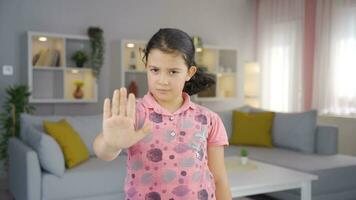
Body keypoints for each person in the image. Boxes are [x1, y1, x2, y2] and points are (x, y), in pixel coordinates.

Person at [93, 28, 232, 200]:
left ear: (189, 73)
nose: (163, 81)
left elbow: (219, 180)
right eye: (155, 70)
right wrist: (111, 144)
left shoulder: (209, 119)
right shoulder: (133, 113)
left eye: (173, 72)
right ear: (146, 67)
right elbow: (102, 151)